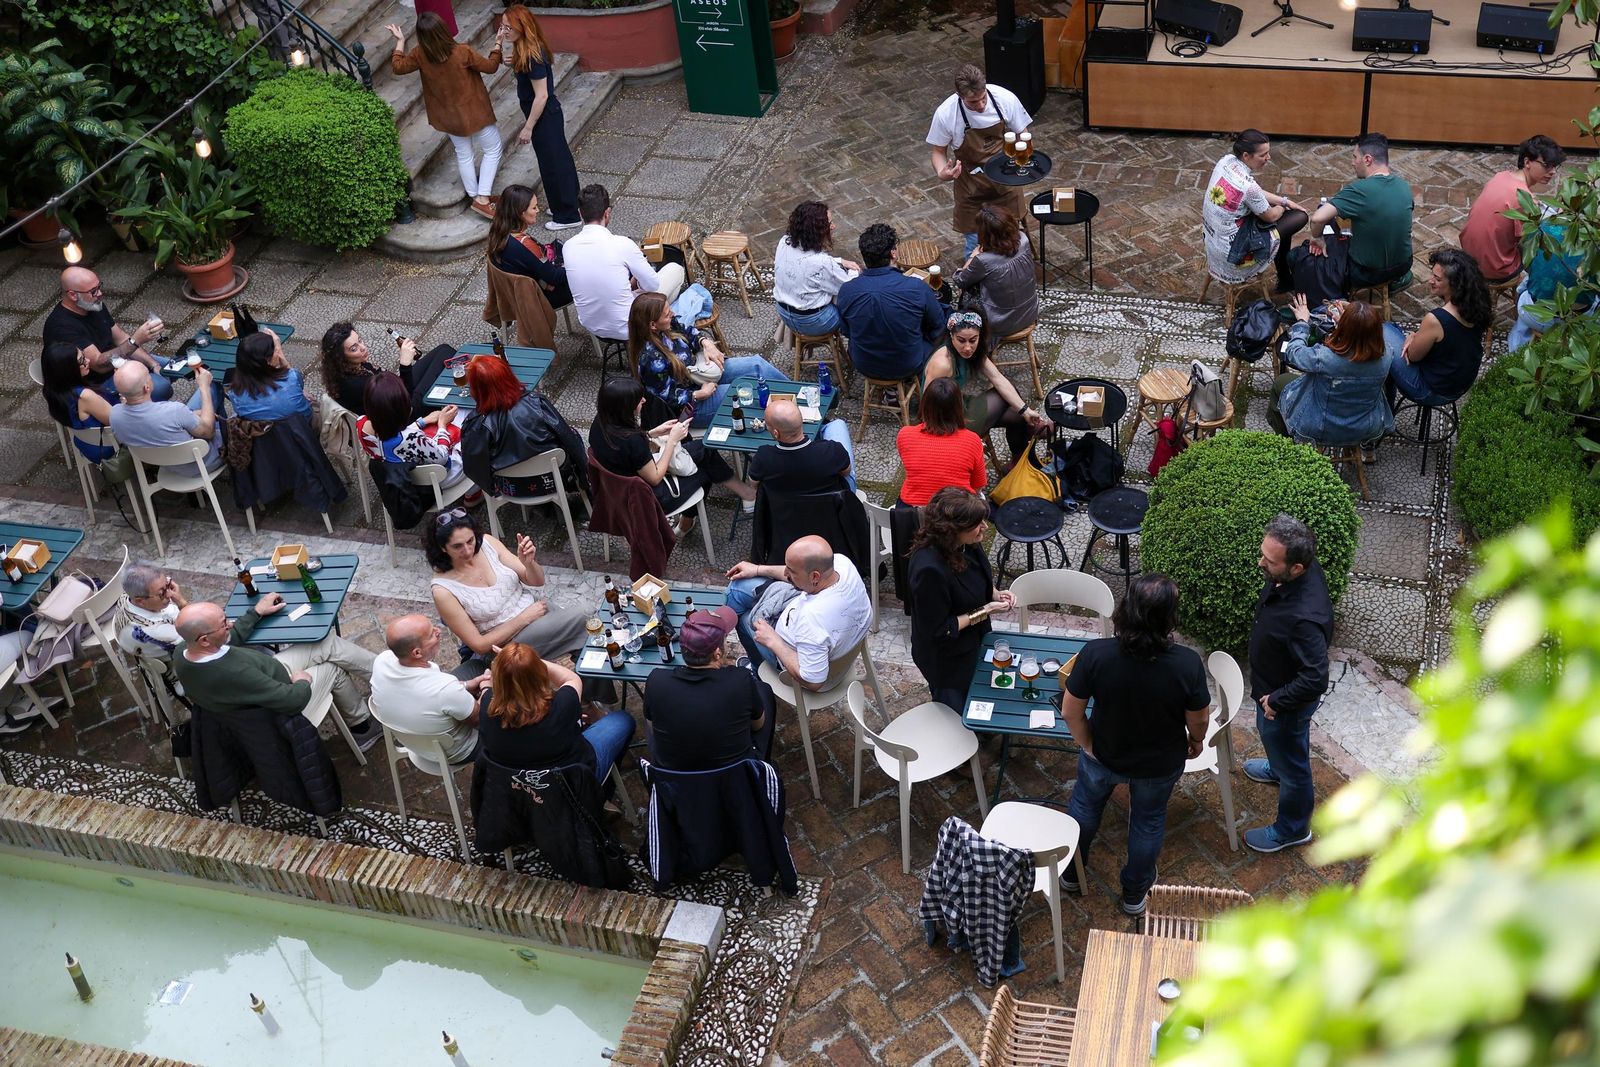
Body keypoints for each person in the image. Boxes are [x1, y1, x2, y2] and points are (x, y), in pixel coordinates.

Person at [1059, 573, 1212, 915]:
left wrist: (1087, 744)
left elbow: (1070, 710)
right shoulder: (1187, 664)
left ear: (1126, 609)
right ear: (1168, 617)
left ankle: (1071, 874)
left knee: (1085, 809)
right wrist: (1196, 741)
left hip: (1104, 754)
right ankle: (1134, 895)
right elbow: (1198, 718)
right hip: (1158, 763)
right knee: (1147, 822)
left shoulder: (1096, 654)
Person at [171, 595, 382, 750]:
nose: (231, 624)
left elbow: (229, 640)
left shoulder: (183, 651)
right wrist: (302, 682)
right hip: (281, 702)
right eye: (224, 624)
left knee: (326, 643)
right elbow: (292, 701)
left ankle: (385, 673)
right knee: (333, 669)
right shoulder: (235, 673)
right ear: (204, 640)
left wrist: (256, 612)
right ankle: (362, 729)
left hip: (270, 674)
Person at [1242, 514, 1332, 853]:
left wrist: (1276, 701)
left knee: (1295, 766)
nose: (1260, 562)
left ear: (1296, 568)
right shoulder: (1296, 571)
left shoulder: (1305, 619)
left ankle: (1293, 829)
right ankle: (1277, 768)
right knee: (1283, 749)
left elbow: (1315, 677)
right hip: (1271, 687)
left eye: (1270, 560)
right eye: (1263, 553)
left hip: (1282, 704)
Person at [426, 508, 591, 677]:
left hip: (537, 612)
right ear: (443, 548)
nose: (468, 550)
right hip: (507, 644)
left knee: (591, 639)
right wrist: (524, 618)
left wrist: (529, 563)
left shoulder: (487, 543)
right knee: (585, 617)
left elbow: (537, 581)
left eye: (470, 541)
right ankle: (588, 688)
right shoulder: (443, 590)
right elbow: (480, 645)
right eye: (457, 546)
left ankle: (588, 687)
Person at [588, 376, 751, 527]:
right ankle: (688, 521)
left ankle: (743, 495)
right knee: (707, 468)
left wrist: (651, 433)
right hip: (648, 498)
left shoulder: (600, 423)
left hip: (617, 491)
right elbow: (655, 477)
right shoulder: (633, 441)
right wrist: (672, 441)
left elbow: (626, 450)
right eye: (638, 400)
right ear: (625, 408)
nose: (644, 400)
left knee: (704, 449)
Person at [906, 487, 1015, 710]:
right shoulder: (929, 570)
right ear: (952, 530)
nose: (985, 527)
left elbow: (975, 577)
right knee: (956, 712)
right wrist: (987, 610)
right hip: (947, 660)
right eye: (977, 523)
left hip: (975, 640)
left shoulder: (967, 543)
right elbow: (940, 629)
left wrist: (995, 593)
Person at [388, 13, 505, 219]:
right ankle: (483, 198)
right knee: (493, 149)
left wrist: (400, 41)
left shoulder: (419, 54)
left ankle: (475, 197)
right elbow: (491, 67)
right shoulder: (462, 52)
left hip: (448, 118)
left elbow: (398, 67)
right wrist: (497, 45)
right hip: (475, 112)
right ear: (443, 30)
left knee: (464, 154)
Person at [723, 535, 874, 685]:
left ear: (815, 577)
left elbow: (814, 682)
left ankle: (755, 671)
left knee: (744, 619)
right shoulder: (842, 563)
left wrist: (774, 641)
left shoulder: (812, 620)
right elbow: (800, 572)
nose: (785, 574)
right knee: (737, 588)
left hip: (793, 658)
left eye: (791, 571)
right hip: (819, 632)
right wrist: (757, 569)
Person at [626, 291, 788, 429]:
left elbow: (688, 331)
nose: (673, 314)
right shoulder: (650, 359)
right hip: (688, 407)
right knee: (745, 395)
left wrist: (705, 342)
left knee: (756, 364)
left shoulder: (667, 326)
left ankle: (795, 396)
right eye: (667, 314)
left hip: (699, 373)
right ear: (653, 325)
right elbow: (666, 398)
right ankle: (786, 422)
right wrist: (699, 394)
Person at [476, 642, 634, 782]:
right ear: (539, 673)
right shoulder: (562, 704)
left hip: (519, 789)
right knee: (623, 720)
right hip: (574, 783)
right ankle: (605, 786)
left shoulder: (486, 707)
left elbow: (486, 688)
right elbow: (570, 678)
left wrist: (498, 675)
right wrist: (528, 663)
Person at [642, 606, 775, 769]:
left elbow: (653, 728)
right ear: (717, 653)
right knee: (764, 691)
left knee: (650, 716)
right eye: (725, 638)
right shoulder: (741, 680)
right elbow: (758, 725)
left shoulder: (656, 681)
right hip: (738, 778)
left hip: (674, 779)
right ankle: (764, 765)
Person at [925, 63, 1031, 257]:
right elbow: (938, 151)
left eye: (983, 98)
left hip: (1005, 183)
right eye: (973, 102)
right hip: (972, 188)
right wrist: (942, 172)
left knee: (1009, 240)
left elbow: (1022, 133)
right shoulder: (946, 114)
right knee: (975, 247)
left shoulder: (1004, 99)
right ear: (959, 96)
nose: (981, 106)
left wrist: (1020, 156)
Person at [922, 309, 1048, 463]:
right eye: (961, 340)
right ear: (951, 336)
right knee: (1008, 401)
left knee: (1017, 415)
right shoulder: (942, 363)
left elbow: (997, 377)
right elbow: (927, 407)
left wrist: (1025, 410)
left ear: (979, 336)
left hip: (959, 404)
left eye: (973, 340)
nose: (967, 347)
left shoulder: (974, 351)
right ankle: (1029, 437)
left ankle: (1021, 460)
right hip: (948, 423)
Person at [563, 184, 685, 341]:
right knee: (675, 270)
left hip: (593, 325)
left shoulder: (568, 247)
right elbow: (652, 285)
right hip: (630, 326)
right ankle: (663, 322)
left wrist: (631, 284)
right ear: (607, 213)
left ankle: (660, 318)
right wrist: (637, 281)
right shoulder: (622, 244)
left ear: (580, 213)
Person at [1268, 296, 1397, 444]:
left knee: (1280, 383)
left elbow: (1294, 352)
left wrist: (1302, 321)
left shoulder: (1324, 357)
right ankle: (1368, 448)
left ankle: (1289, 444)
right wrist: (1349, 325)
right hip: (1366, 427)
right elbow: (1361, 343)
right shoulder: (1387, 354)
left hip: (1321, 428)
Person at [459, 354, 586, 498]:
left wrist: (491, 488)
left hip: (511, 488)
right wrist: (583, 475)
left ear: (477, 389)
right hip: (555, 479)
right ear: (508, 377)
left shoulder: (476, 426)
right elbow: (567, 438)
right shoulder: (537, 403)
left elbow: (473, 468)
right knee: (572, 432)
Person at [1303, 133, 1416, 293]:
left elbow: (1317, 219)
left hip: (1366, 273)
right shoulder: (1404, 186)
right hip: (1403, 265)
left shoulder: (1358, 190)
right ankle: (1398, 280)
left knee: (1325, 234)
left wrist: (1317, 238)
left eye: (1355, 157)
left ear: (1367, 159)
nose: (1352, 162)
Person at [370, 614, 489, 764]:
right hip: (459, 751)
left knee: (473, 666)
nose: (438, 631)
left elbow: (434, 692)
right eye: (432, 634)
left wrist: (465, 686)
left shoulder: (382, 661)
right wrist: (487, 688)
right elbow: (479, 720)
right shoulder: (444, 688)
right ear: (417, 653)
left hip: (415, 742)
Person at [502, 5, 581, 231]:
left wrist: (528, 127)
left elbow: (542, 95)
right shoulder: (526, 49)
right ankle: (566, 205)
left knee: (554, 165)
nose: (504, 31)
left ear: (522, 28)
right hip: (546, 117)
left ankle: (567, 216)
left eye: (508, 27)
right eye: (502, 26)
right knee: (556, 161)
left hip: (544, 118)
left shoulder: (533, 56)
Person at [42, 266, 172, 402]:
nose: (99, 294)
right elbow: (99, 365)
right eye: (93, 291)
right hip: (97, 383)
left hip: (118, 362)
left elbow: (120, 338)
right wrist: (136, 341)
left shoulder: (93, 304)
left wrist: (154, 365)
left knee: (173, 368)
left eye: (99, 287)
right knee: (162, 387)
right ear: (73, 295)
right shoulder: (62, 328)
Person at [1202, 129, 1308, 293]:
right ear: (1246, 156)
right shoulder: (1249, 187)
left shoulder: (1226, 161)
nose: (1268, 158)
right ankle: (1285, 279)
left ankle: (1285, 279)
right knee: (1299, 217)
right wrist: (1283, 206)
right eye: (1263, 155)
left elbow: (1252, 193)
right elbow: (1271, 216)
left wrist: (1283, 201)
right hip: (1233, 251)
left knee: (1282, 225)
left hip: (1214, 241)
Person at [837, 223, 945, 383]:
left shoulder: (847, 291)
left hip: (865, 364)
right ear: (893, 253)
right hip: (908, 363)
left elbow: (846, 331)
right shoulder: (916, 287)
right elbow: (938, 324)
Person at [1387, 248, 1491, 410]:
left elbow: (1412, 356)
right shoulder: (1476, 304)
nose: (1430, 281)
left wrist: (1412, 337)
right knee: (1393, 329)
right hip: (1461, 384)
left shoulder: (1436, 319)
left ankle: (1384, 408)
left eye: (1437, 279)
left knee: (1383, 330)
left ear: (1455, 284)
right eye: (1432, 275)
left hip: (1431, 391)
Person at [1460, 134, 1564, 284]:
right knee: (1547, 246)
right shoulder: (1526, 201)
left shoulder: (1501, 176)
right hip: (1495, 268)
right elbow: (1543, 236)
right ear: (1527, 162)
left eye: (1555, 166)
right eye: (1547, 165)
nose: (1553, 171)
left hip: (1468, 255)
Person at [108, 361, 221, 478]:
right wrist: (204, 387)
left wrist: (193, 414)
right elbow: (208, 432)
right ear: (147, 387)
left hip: (169, 466)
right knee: (214, 387)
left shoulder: (115, 415)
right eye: (149, 376)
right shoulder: (175, 411)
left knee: (194, 414)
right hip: (202, 463)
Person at [356, 371, 467, 488]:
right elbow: (442, 457)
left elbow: (396, 433)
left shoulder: (361, 424)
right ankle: (472, 491)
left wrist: (423, 421)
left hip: (401, 478)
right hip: (436, 480)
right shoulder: (410, 437)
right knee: (469, 425)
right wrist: (442, 424)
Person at [319, 321, 452, 418]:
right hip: (405, 414)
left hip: (396, 391)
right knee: (444, 361)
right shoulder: (356, 385)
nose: (362, 347)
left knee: (443, 350)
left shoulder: (349, 367)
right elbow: (403, 403)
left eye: (360, 340)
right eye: (354, 349)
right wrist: (405, 365)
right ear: (341, 357)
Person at [1507, 219, 1598, 351]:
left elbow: (1527, 265)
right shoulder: (1595, 237)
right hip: (1582, 320)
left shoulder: (1540, 228)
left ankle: (1518, 346)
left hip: (1537, 317)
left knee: (1525, 286)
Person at [950, 204, 1038, 340]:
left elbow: (960, 280)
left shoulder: (983, 260)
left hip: (1000, 323)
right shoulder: (1024, 239)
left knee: (967, 292)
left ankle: (974, 336)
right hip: (1029, 312)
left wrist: (973, 256)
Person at [896, 376, 987, 507]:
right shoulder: (972, 441)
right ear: (958, 407)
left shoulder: (905, 434)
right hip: (956, 511)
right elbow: (978, 486)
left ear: (925, 404)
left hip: (912, 512)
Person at [772, 201, 859, 336]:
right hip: (815, 322)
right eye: (830, 224)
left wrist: (839, 261)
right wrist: (855, 272)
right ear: (818, 231)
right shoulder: (822, 263)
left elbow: (803, 263)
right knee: (855, 306)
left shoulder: (784, 242)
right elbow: (847, 288)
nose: (834, 226)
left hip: (784, 313)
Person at [486, 184, 572, 308]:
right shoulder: (525, 244)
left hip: (515, 295)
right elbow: (554, 277)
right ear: (521, 213)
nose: (538, 210)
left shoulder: (498, 233)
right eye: (534, 207)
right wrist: (577, 265)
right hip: (536, 298)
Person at [748, 395, 855, 495]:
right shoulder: (832, 450)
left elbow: (754, 484)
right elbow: (846, 472)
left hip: (784, 508)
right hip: (832, 506)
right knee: (837, 424)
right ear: (802, 421)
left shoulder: (763, 457)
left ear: (776, 433)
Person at [39, 341, 118, 464]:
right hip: (107, 446)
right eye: (81, 360)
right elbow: (119, 422)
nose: (88, 361)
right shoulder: (85, 396)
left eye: (84, 356)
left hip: (85, 442)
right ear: (68, 369)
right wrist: (123, 385)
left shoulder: (53, 390)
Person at [226, 328, 310, 421]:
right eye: (276, 351)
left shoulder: (236, 394)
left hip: (263, 429)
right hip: (303, 426)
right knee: (310, 399)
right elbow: (297, 384)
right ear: (268, 361)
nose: (277, 353)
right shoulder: (292, 377)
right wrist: (281, 353)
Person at [118, 561, 186, 661]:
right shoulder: (158, 631)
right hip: (172, 661)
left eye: (167, 584)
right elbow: (197, 634)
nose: (169, 594)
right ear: (140, 601)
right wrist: (182, 603)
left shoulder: (126, 596)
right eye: (161, 593)